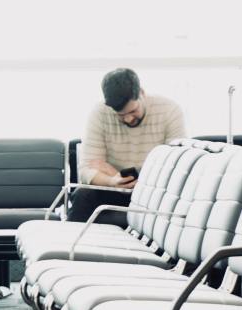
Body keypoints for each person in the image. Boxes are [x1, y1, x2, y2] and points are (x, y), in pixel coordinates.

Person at [68, 68, 185, 226]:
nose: (128, 119)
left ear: (142, 93)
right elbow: (87, 170)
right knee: (83, 194)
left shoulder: (169, 110)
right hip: (115, 189)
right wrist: (111, 180)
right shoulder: (100, 112)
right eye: (120, 115)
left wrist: (112, 170)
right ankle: (70, 248)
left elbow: (177, 166)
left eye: (133, 111)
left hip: (154, 192)